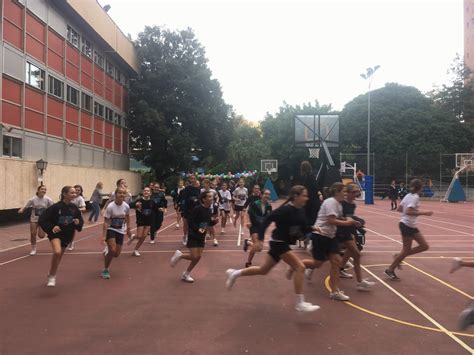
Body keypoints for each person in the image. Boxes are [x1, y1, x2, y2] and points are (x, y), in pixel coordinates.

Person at [225, 186, 320, 313]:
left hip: (283, 243)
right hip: (279, 243)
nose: (306, 198)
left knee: (263, 270)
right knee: (300, 267)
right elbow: (267, 220)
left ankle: (235, 274)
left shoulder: (300, 211)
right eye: (304, 195)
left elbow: (302, 227)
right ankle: (300, 303)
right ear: (296, 196)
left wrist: (311, 228)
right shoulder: (286, 210)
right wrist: (260, 238)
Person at [299, 182, 362, 301]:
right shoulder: (330, 202)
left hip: (330, 236)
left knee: (336, 262)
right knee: (317, 263)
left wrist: (352, 221)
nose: (345, 194)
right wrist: (347, 222)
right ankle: (297, 264)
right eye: (344, 191)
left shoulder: (338, 204)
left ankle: (334, 291)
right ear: (337, 192)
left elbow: (338, 218)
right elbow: (331, 220)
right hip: (321, 235)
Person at [384, 179, 433, 281]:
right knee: (406, 250)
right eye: (422, 187)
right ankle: (390, 269)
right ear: (420, 187)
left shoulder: (408, 195)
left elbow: (400, 209)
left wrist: (411, 211)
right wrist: (424, 213)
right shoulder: (414, 197)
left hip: (410, 225)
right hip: (406, 225)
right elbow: (408, 211)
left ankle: (398, 256)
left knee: (424, 246)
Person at [38, 186, 84, 286]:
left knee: (59, 256)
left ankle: (51, 273)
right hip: (55, 234)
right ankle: (52, 277)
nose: (74, 194)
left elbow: (80, 221)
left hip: (67, 235)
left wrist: (77, 223)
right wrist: (52, 227)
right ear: (64, 194)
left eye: (75, 193)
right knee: (57, 252)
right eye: (72, 193)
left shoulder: (74, 208)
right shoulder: (55, 207)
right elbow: (42, 219)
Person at [169, 191, 219, 282]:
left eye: (212, 197)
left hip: (202, 235)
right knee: (194, 256)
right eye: (209, 197)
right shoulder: (198, 209)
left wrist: (214, 222)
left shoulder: (209, 210)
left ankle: (186, 274)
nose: (212, 198)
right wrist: (197, 230)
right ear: (204, 199)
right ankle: (180, 256)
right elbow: (190, 221)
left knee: (198, 257)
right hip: (193, 234)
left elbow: (207, 223)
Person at [335, 184, 375, 290]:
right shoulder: (340, 203)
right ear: (347, 193)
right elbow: (337, 218)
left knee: (356, 254)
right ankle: (311, 267)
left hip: (347, 232)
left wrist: (355, 221)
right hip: (338, 232)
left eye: (357, 192)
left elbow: (349, 217)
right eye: (354, 192)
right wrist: (350, 220)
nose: (356, 194)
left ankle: (359, 282)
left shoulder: (353, 205)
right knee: (325, 258)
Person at [101, 187, 130, 279]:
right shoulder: (110, 206)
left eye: (123, 193)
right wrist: (103, 235)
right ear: (116, 194)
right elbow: (106, 222)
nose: (121, 195)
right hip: (111, 229)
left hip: (120, 230)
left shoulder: (126, 206)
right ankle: (105, 270)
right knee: (112, 250)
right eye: (119, 193)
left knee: (116, 254)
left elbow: (127, 217)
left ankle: (107, 253)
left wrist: (128, 228)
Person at [18, 185, 54, 256]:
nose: (43, 191)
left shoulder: (48, 199)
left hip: (43, 219)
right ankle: (33, 249)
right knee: (33, 233)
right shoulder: (33, 199)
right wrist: (22, 209)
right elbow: (26, 206)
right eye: (42, 189)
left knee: (41, 236)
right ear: (38, 190)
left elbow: (53, 207)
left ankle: (43, 233)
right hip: (34, 219)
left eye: (45, 190)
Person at [243, 189, 272, 267]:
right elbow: (248, 213)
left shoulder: (269, 206)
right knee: (257, 244)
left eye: (269, 194)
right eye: (266, 194)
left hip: (262, 228)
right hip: (254, 226)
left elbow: (269, 217)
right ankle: (248, 262)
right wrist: (248, 221)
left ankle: (248, 243)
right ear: (261, 195)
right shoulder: (254, 204)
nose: (267, 196)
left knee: (259, 248)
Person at [127, 187, 154, 256]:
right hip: (140, 220)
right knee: (139, 236)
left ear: (150, 193)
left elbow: (156, 208)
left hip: (149, 221)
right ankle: (133, 237)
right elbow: (130, 205)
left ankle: (136, 250)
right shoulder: (139, 200)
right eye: (145, 191)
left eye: (148, 191)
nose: (146, 192)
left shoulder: (152, 201)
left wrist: (161, 209)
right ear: (143, 192)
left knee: (144, 236)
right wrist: (135, 205)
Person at [180, 175, 202, 245]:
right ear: (190, 180)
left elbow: (200, 199)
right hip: (187, 209)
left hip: (196, 209)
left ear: (196, 179)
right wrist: (183, 209)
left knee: (195, 224)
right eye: (191, 178)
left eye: (194, 178)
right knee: (186, 224)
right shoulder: (187, 188)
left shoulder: (198, 189)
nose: (193, 180)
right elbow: (183, 199)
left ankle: (195, 237)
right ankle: (185, 236)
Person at [300, 161, 322, 226]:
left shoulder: (306, 176)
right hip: (312, 199)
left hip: (310, 200)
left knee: (309, 217)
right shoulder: (310, 176)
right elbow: (316, 187)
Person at [67, 185, 86, 251]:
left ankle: (71, 243)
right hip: (67, 216)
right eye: (76, 190)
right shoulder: (70, 197)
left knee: (72, 230)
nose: (77, 191)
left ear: (81, 191)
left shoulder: (80, 199)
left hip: (76, 216)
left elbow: (84, 208)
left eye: (79, 190)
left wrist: (76, 209)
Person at [201, 179, 219, 246]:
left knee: (210, 225)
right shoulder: (201, 191)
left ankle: (214, 239)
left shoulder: (213, 191)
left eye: (204, 183)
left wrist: (216, 202)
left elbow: (217, 197)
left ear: (208, 184)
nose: (203, 185)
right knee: (203, 224)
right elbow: (200, 199)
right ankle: (203, 238)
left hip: (210, 209)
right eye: (203, 184)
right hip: (202, 209)